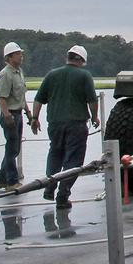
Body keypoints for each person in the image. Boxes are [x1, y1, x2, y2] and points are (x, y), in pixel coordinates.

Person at [32, 44, 100, 209]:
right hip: (76, 124)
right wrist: (94, 117)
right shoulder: (84, 76)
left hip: (54, 124)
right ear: (82, 60)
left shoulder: (51, 74)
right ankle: (63, 196)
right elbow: (92, 100)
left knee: (55, 154)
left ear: (67, 58)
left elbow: (38, 99)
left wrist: (34, 118)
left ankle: (49, 187)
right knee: (74, 161)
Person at [0, 41, 34, 190]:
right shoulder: (5, 74)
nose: (21, 56)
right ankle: (11, 182)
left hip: (18, 114)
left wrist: (29, 114)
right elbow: (2, 97)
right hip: (10, 115)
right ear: (10, 57)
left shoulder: (19, 72)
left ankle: (1, 179)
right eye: (18, 54)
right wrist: (7, 116)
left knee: (15, 149)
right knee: (11, 149)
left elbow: (21, 97)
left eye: (20, 53)